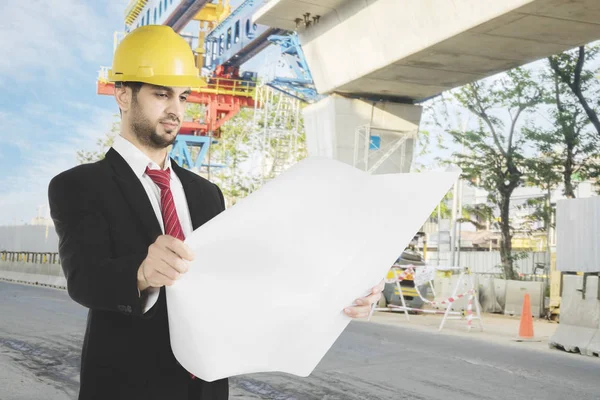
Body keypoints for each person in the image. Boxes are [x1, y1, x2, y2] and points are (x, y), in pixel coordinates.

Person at [48, 25, 384, 400]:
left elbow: (237, 284)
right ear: (123, 95)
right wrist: (141, 272)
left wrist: (337, 293)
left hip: (205, 389)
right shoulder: (79, 184)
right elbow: (84, 279)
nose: (176, 110)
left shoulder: (205, 194)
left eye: (183, 96)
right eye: (162, 94)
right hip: (126, 386)